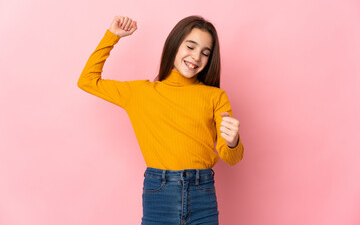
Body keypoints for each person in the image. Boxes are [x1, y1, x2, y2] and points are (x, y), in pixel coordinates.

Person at [78, 15, 244, 225]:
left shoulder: (215, 96)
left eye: (205, 53)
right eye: (190, 47)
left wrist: (232, 141)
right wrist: (112, 36)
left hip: (203, 194)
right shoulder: (140, 92)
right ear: (174, 45)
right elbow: (87, 80)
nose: (196, 57)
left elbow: (232, 158)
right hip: (159, 192)